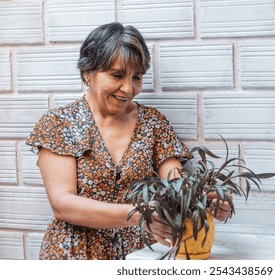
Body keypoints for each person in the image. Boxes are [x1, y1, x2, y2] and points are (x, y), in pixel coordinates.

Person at [25, 22, 231, 260]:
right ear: (87, 73)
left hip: (140, 254)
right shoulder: (59, 123)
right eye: (117, 75)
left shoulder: (153, 123)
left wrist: (205, 200)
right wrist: (138, 213)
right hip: (74, 253)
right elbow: (63, 204)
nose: (128, 88)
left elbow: (176, 185)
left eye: (137, 77)